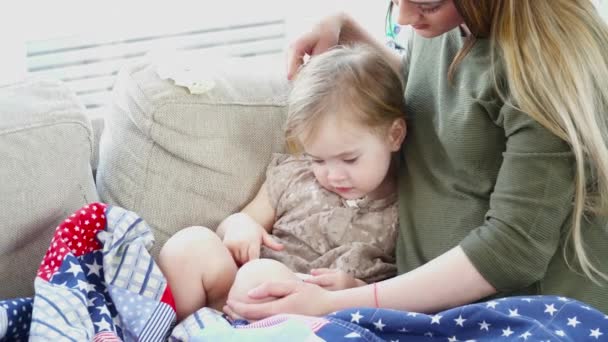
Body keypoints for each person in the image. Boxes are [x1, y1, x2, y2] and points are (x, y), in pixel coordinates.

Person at [223, 0, 608, 319]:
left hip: (519, 315)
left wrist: (335, 304)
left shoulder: (547, 64)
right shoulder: (449, 24)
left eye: (426, 3)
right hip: (421, 307)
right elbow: (433, 101)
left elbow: (512, 251)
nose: (405, 17)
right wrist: (346, 28)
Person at [158, 44, 408, 321]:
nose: (333, 175)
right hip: (236, 298)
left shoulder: (406, 204)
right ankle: (179, 330)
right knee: (191, 244)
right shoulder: (293, 176)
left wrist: (354, 289)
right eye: (318, 159)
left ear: (394, 135)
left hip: (313, 318)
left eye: (349, 159)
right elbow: (243, 220)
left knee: (261, 276)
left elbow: (403, 286)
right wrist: (241, 226)